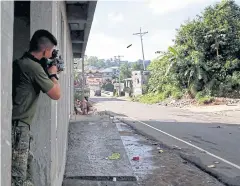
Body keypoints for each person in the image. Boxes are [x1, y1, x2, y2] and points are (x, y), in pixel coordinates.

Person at [12, 29, 61, 186]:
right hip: (18, 128)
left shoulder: (21, 62)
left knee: (24, 172)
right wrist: (53, 74)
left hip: (17, 126)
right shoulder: (33, 68)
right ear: (46, 50)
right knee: (19, 178)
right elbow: (56, 94)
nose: (52, 53)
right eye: (51, 51)